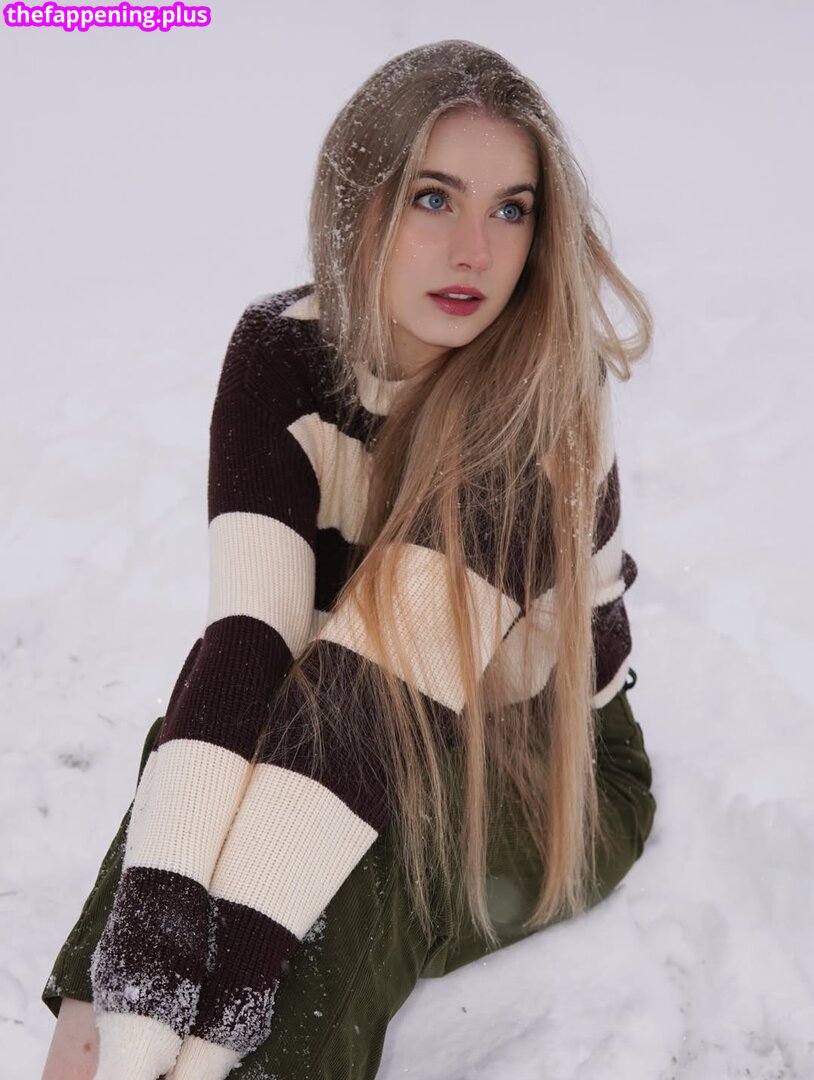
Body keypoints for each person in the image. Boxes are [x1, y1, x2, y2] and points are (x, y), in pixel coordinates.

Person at [41, 39, 656, 1080]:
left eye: (511, 210)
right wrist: (147, 960)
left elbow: (369, 717)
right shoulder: (279, 348)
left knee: (360, 864)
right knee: (187, 772)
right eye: (433, 198)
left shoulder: (539, 407)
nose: (475, 251)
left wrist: (217, 1023)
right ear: (355, 204)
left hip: (545, 759)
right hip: (337, 687)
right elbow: (250, 642)